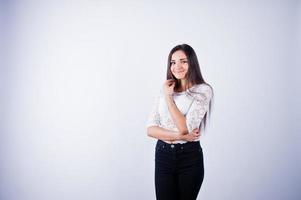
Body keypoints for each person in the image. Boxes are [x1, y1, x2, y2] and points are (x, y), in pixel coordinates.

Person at [146, 44, 214, 200]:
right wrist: (180, 136)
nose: (177, 66)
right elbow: (150, 129)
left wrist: (169, 98)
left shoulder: (203, 90)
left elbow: (185, 128)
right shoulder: (165, 89)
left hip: (189, 158)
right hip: (163, 155)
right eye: (173, 62)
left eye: (183, 61)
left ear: (192, 63)